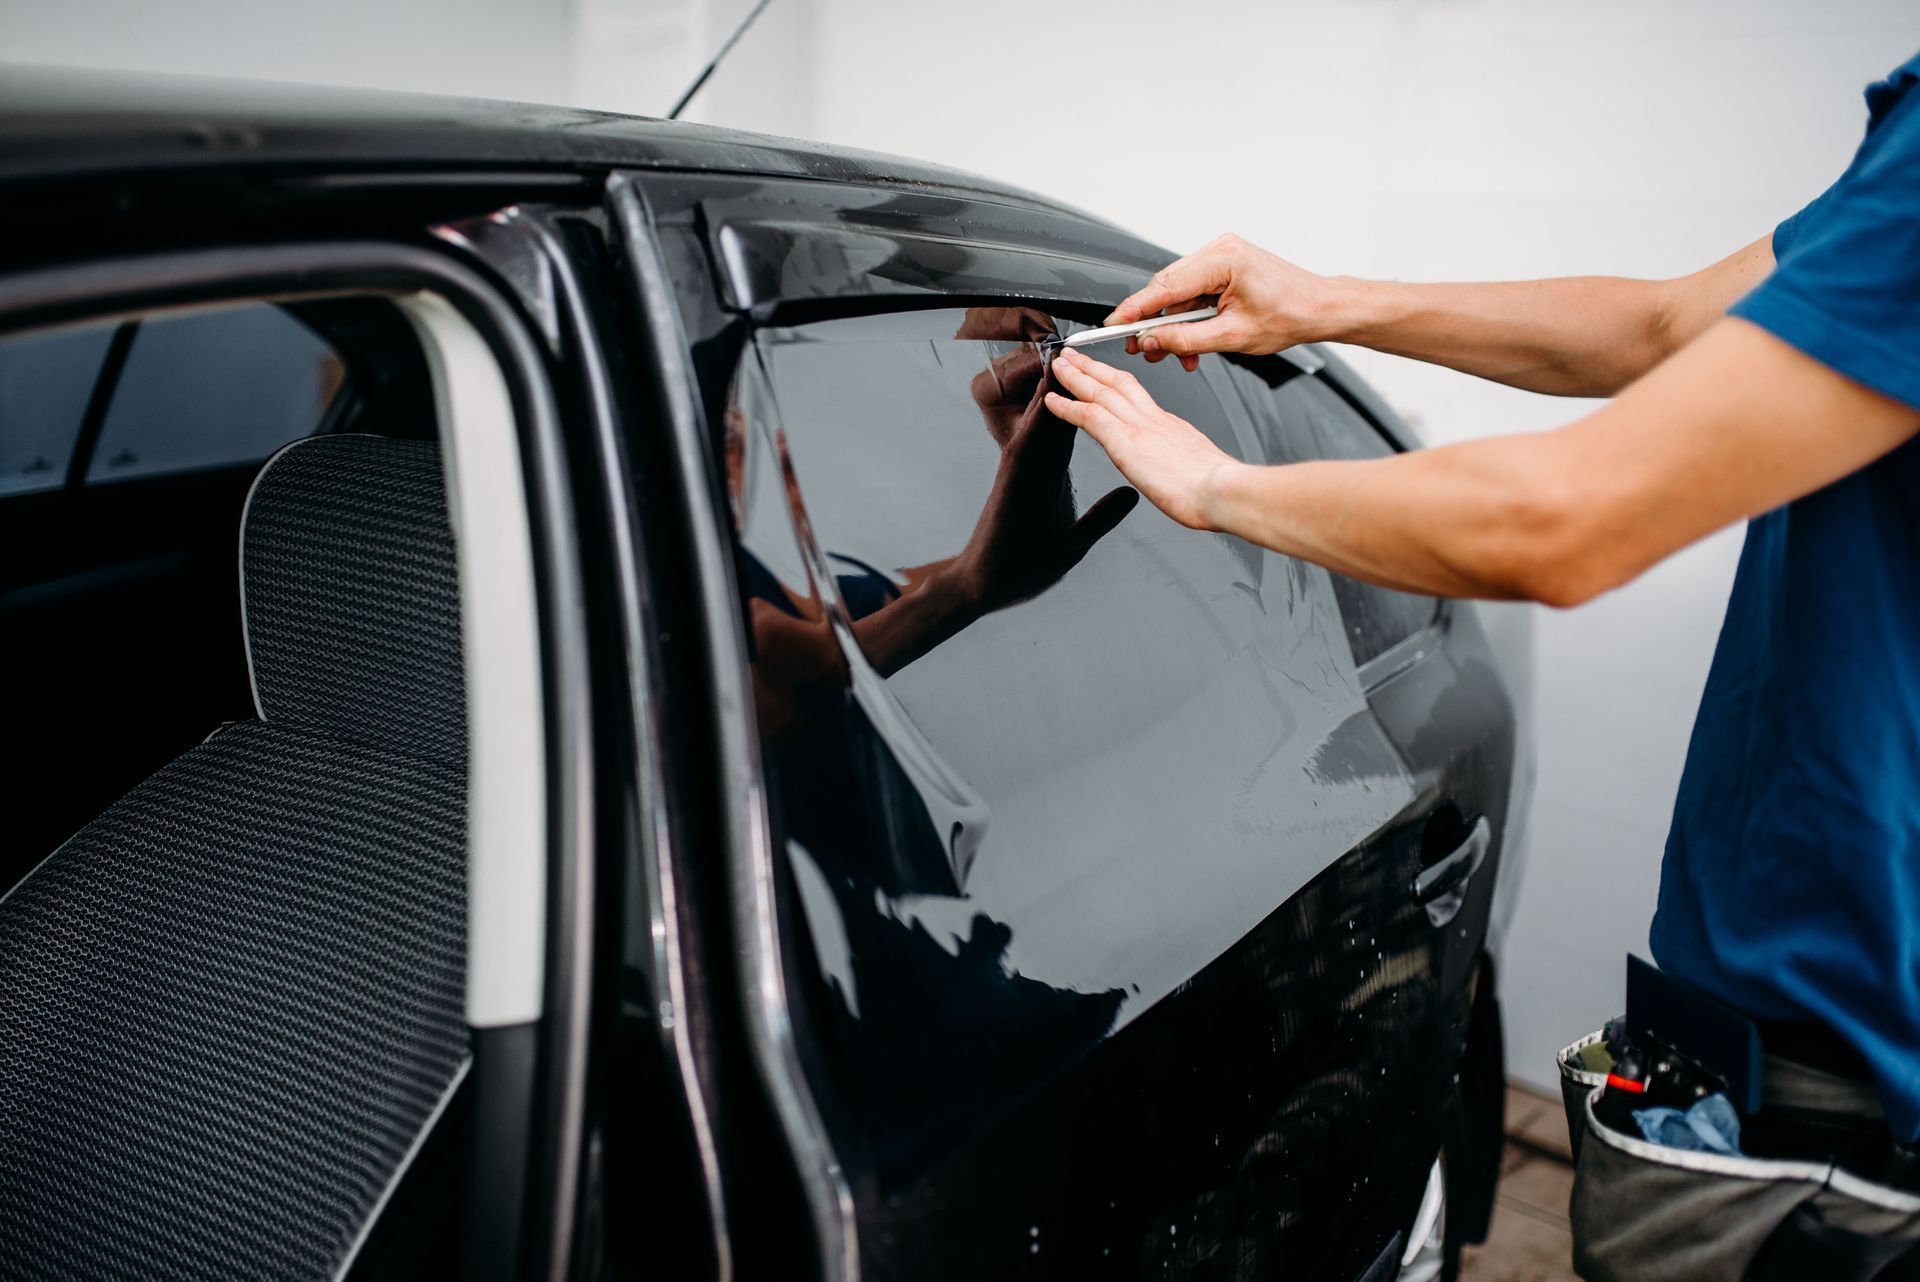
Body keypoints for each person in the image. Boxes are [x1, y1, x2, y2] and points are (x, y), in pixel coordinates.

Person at [1045, 50, 1920, 1187]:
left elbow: (1565, 520)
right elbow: (1662, 326)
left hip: (1854, 1108)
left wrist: (1216, 489)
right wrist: (1325, 304)